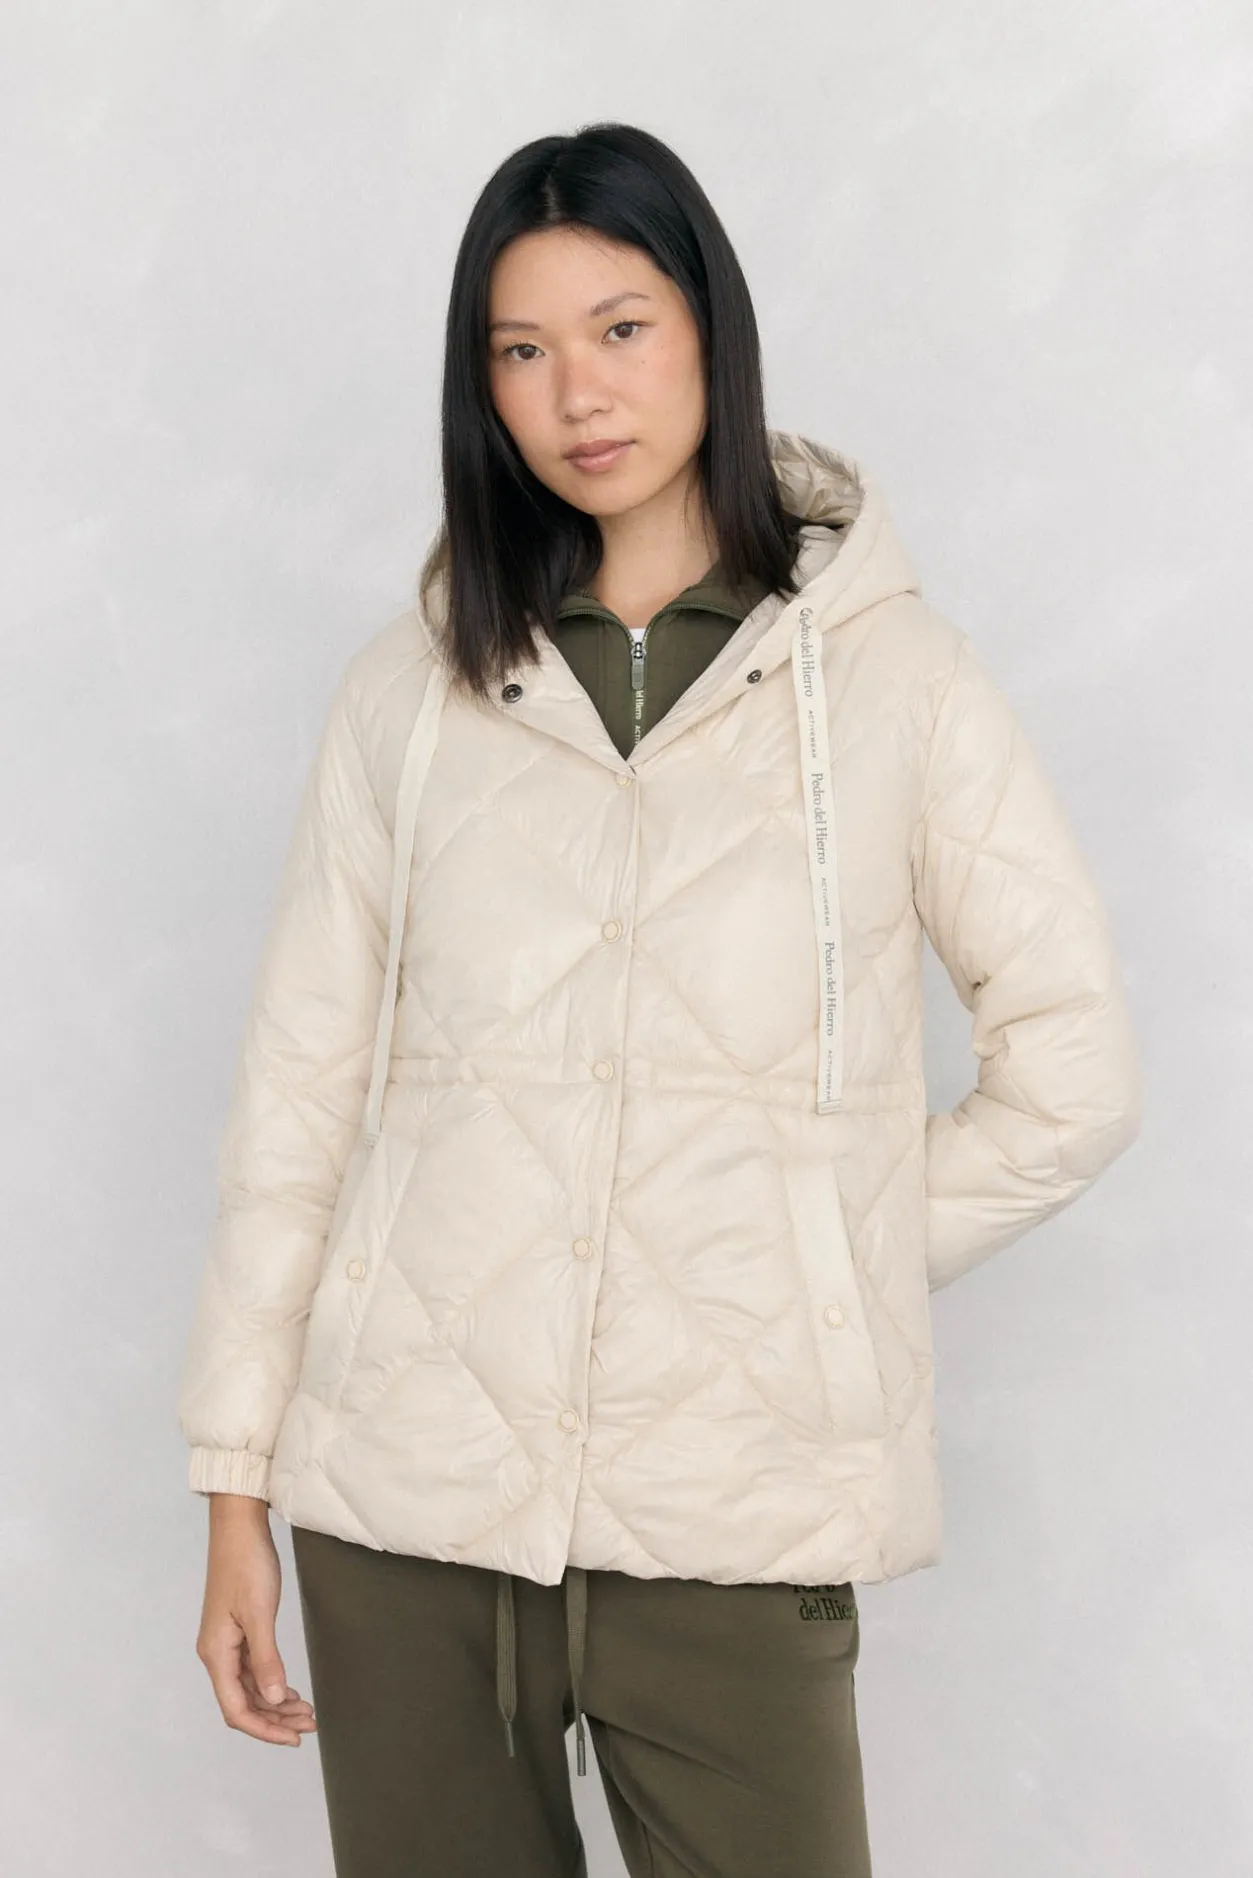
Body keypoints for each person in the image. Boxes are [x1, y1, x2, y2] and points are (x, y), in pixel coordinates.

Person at [177, 122, 1143, 1878]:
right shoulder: (408, 695)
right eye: (520, 350)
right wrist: (236, 1482)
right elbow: (296, 1100)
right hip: (406, 1505)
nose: (577, 393)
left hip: (736, 1517)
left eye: (620, 327)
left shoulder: (902, 683)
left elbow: (1073, 1071)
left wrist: (816, 1253)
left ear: (711, 325)